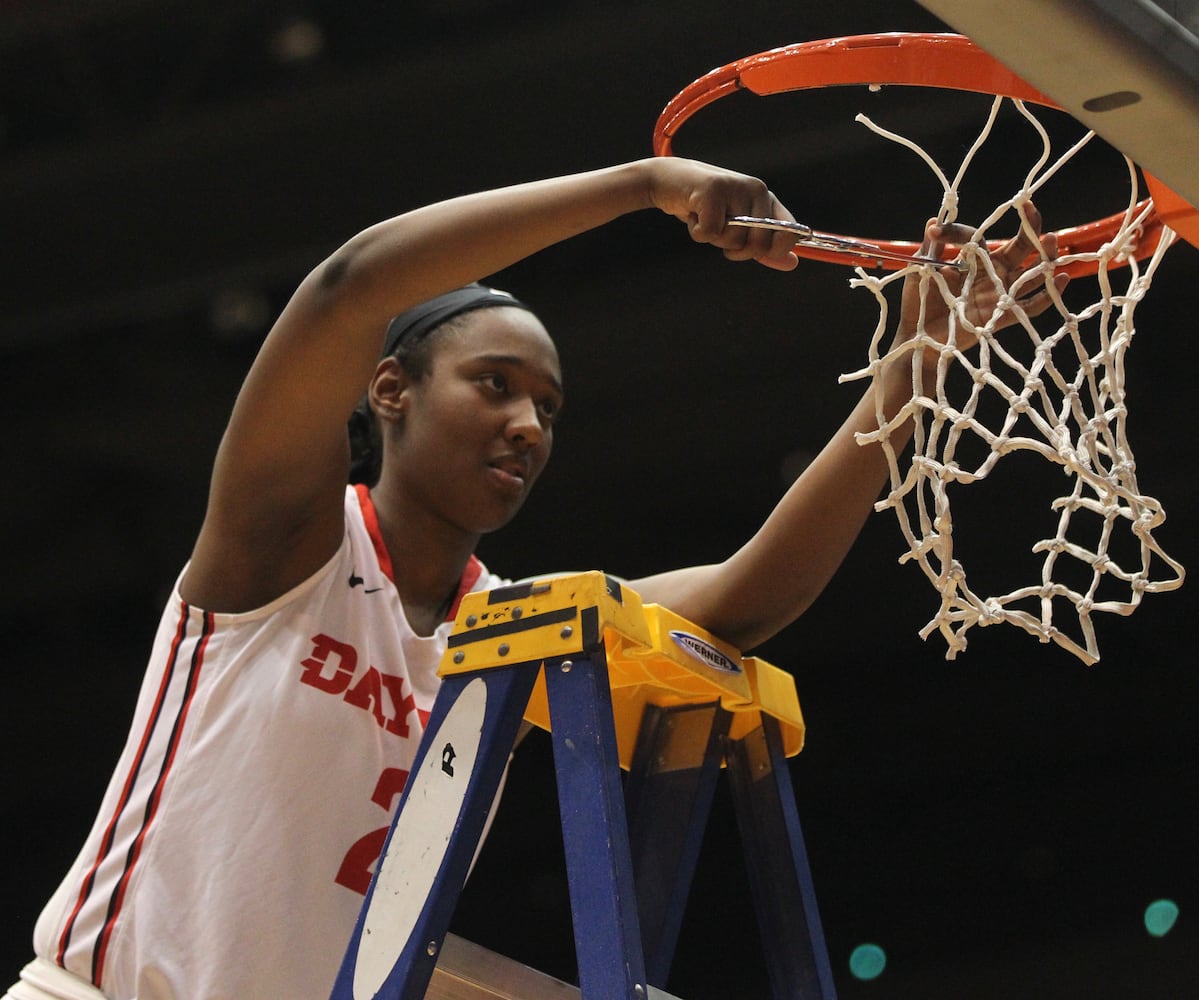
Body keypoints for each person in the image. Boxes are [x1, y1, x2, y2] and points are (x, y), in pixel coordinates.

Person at [6, 156, 1064, 1000]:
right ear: (390, 391)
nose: (526, 423)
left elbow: (748, 598)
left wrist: (918, 359)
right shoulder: (286, 542)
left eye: (547, 408)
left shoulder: (508, 632)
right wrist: (645, 183)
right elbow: (345, 289)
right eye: (495, 384)